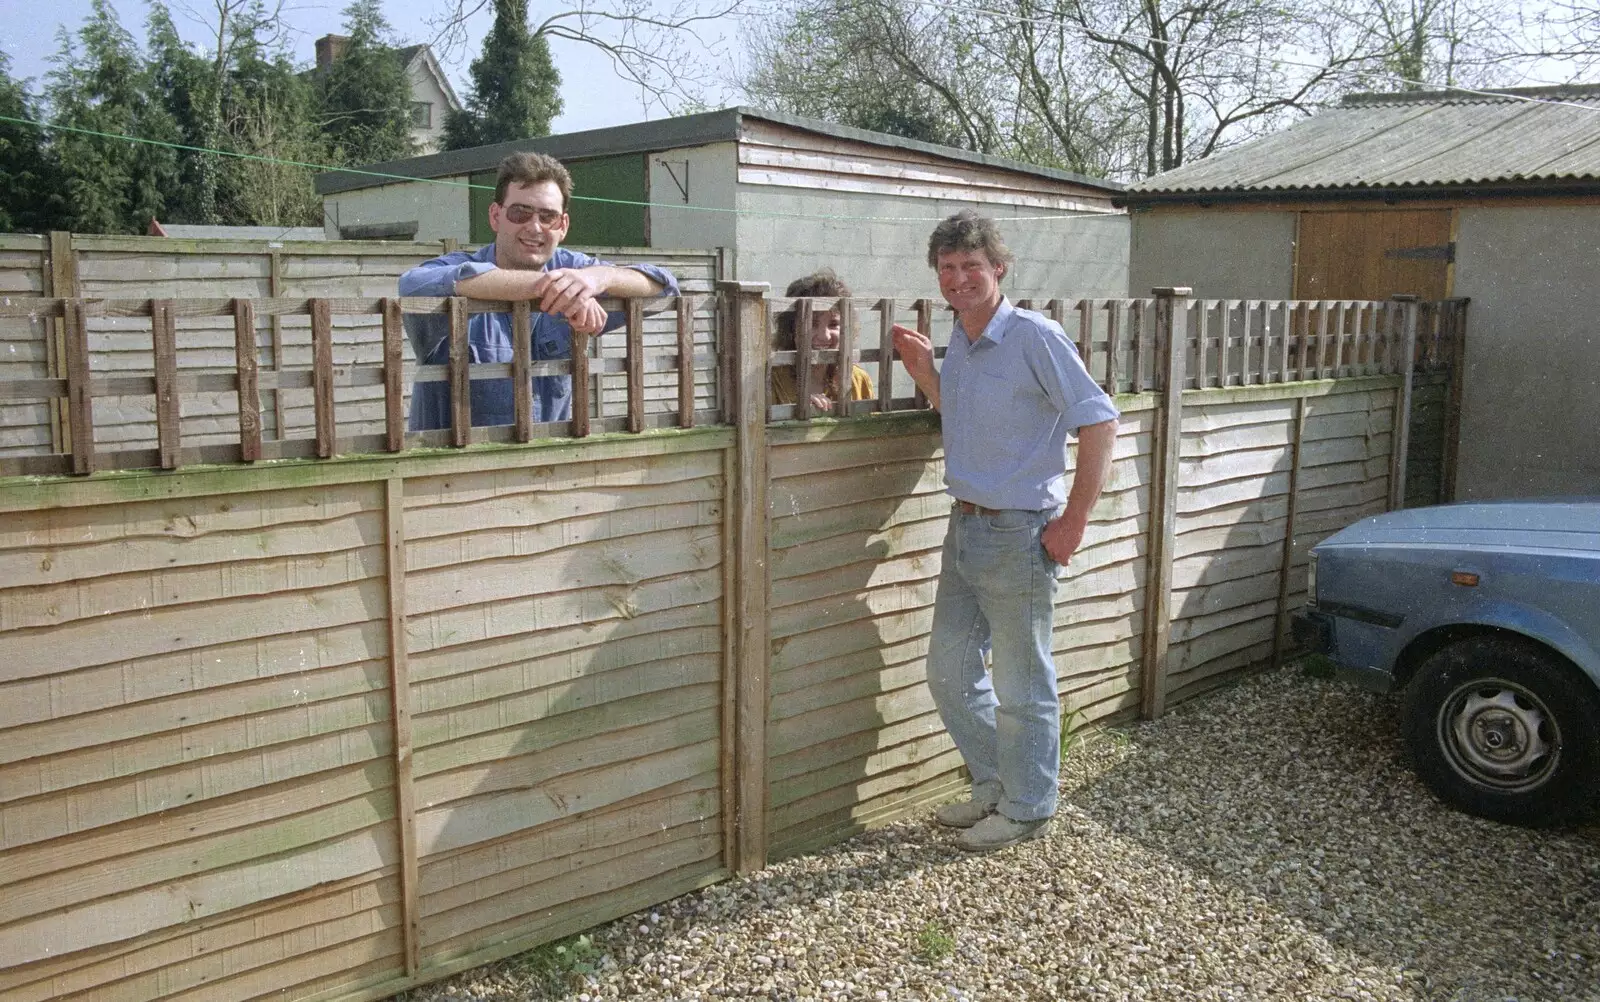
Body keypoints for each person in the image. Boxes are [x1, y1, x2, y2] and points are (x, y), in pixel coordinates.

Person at [891, 210, 1120, 853]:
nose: (959, 278)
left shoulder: (1033, 336)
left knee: (1023, 683)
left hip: (1021, 533)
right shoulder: (962, 337)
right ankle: (997, 781)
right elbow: (964, 415)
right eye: (947, 268)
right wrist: (922, 371)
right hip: (964, 527)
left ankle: (1029, 806)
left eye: (971, 266)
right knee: (949, 670)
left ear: (999, 268)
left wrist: (1073, 521)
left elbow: (1100, 422)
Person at [398, 152, 679, 430]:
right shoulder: (463, 265)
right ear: (496, 216)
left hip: (545, 464)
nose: (534, 227)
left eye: (548, 217)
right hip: (454, 467)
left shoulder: (573, 270)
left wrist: (597, 279)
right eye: (520, 213)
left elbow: (664, 288)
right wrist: (548, 287)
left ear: (563, 226)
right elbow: (412, 284)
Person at [770, 270, 874, 413]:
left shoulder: (858, 379)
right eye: (812, 323)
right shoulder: (769, 381)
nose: (824, 336)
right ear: (790, 329)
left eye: (833, 324)